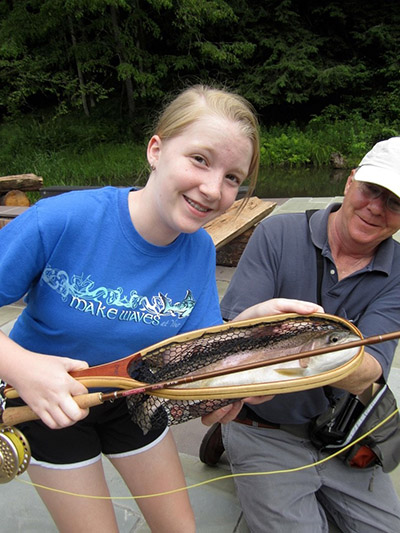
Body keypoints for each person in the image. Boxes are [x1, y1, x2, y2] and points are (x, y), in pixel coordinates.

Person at [0, 84, 262, 532]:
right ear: (156, 149)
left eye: (233, 177)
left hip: (132, 396)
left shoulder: (198, 248)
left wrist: (250, 345)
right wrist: (21, 366)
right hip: (45, 401)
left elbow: (195, 352)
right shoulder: (60, 219)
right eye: (199, 159)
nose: (213, 188)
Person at [200, 137, 400, 532]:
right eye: (372, 190)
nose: (376, 208)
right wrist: (316, 351)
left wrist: (293, 351)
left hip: (337, 430)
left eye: (395, 202)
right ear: (350, 182)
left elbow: (370, 371)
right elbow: (230, 333)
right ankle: (230, 437)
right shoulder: (276, 233)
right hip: (260, 424)